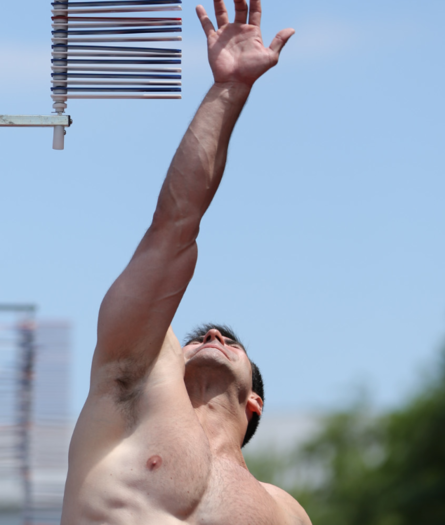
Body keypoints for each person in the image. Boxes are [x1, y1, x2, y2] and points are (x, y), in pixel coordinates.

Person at [62, 0, 310, 522]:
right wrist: (230, 91)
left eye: (231, 341)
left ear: (255, 404)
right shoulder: (134, 380)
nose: (214, 338)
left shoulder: (283, 510)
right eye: (201, 336)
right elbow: (175, 227)